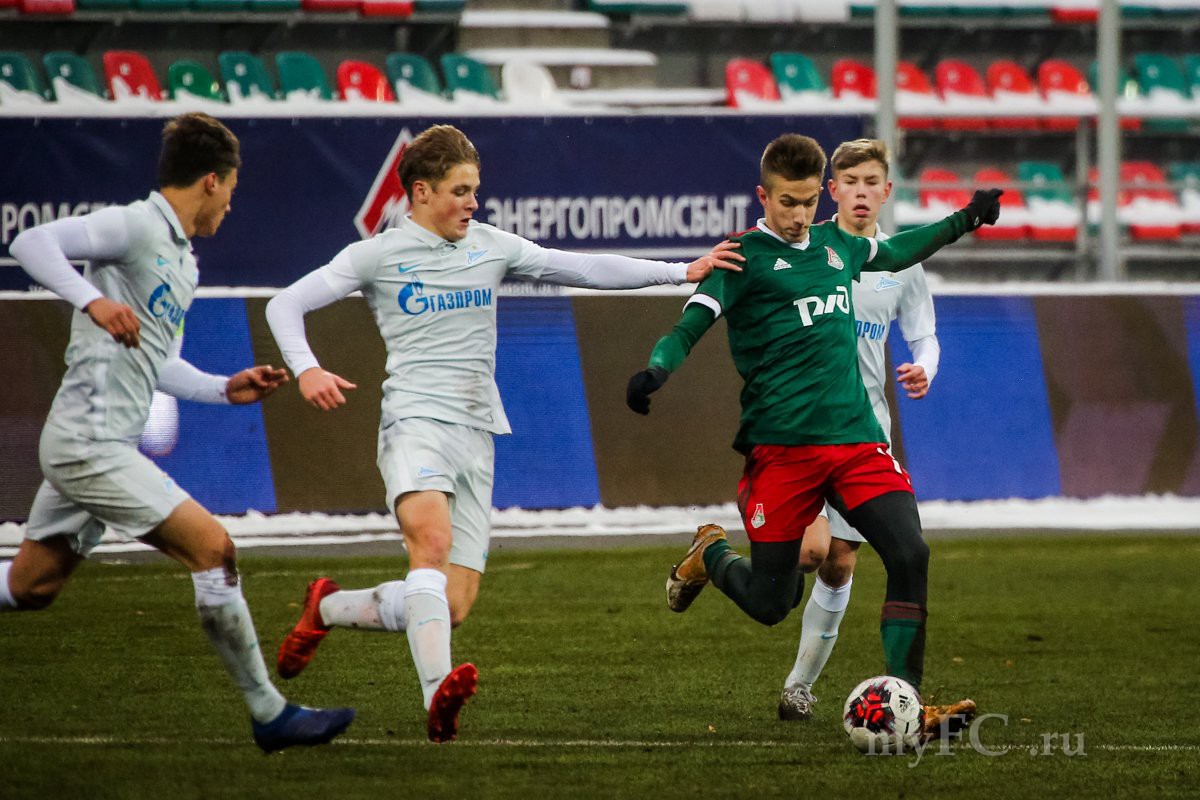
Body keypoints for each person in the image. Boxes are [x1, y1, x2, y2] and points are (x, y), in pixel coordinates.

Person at [264, 124, 743, 743]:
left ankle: (327, 607)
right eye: (460, 191)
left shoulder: (490, 245)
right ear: (421, 191)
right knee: (430, 545)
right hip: (414, 423)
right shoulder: (377, 255)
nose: (473, 202)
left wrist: (680, 271)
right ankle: (438, 700)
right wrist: (306, 369)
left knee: (451, 604)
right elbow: (285, 305)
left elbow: (580, 266)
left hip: (477, 431)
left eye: (475, 190)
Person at [0, 113, 355, 753]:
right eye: (231, 190)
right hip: (87, 444)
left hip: (101, 444)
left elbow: (159, 362)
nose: (230, 205)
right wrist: (92, 301)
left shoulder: (182, 264)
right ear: (211, 181)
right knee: (214, 548)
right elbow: (30, 243)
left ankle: (271, 716)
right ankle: (270, 714)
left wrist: (224, 387)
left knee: (31, 587)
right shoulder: (136, 225)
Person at [626, 133, 1000, 733]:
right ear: (763, 197)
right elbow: (689, 325)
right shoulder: (741, 258)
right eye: (788, 203)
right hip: (782, 452)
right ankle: (711, 554)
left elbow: (898, 251)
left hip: (856, 442)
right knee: (772, 603)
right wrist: (656, 370)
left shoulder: (836, 245)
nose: (800, 216)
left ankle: (909, 704)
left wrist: (966, 218)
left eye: (807, 203)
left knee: (910, 553)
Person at [775, 138, 973, 732]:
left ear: (887, 192)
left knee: (839, 564)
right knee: (807, 555)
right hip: (800, 433)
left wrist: (924, 367)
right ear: (831, 190)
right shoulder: (807, 248)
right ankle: (726, 563)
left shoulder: (901, 264)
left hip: (864, 437)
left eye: (872, 183)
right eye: (850, 182)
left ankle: (798, 688)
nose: (861, 193)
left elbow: (925, 334)